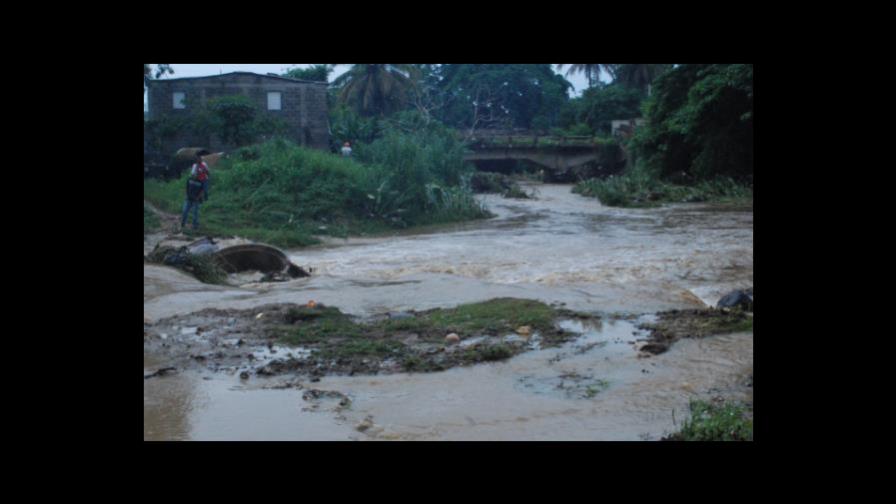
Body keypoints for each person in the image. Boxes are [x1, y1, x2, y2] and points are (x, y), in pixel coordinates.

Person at [181, 152, 210, 231]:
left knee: (195, 212)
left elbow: (202, 190)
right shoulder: (190, 178)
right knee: (185, 211)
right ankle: (183, 224)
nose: (196, 174)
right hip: (189, 196)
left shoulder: (204, 166)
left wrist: (198, 197)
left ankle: (195, 226)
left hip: (196, 196)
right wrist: (187, 195)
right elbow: (186, 188)